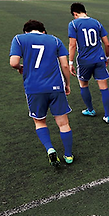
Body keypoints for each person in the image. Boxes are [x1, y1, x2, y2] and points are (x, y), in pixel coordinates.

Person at [10, 19, 74, 166]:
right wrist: (67, 84)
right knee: (63, 123)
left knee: (39, 121)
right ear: (43, 31)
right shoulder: (55, 40)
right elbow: (64, 65)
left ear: (26, 31)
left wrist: (20, 66)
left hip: (34, 88)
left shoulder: (19, 39)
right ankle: (69, 155)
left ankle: (50, 149)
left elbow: (13, 62)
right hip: (56, 87)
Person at [68, 3, 109, 123]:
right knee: (104, 87)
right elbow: (107, 43)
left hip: (84, 61)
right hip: (99, 59)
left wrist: (70, 62)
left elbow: (72, 45)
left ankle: (90, 109)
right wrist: (107, 57)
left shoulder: (73, 24)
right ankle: (107, 115)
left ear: (75, 14)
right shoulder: (96, 22)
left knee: (84, 85)